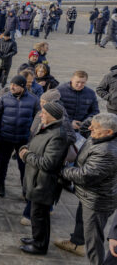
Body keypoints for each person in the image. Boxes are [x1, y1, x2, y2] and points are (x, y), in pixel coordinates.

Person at [59, 113, 117, 264]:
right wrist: (91, 121)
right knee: (83, 224)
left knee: (93, 241)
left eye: (95, 127)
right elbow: (87, 128)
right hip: (88, 194)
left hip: (97, 201)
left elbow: (86, 175)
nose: (91, 128)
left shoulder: (108, 151)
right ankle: (76, 242)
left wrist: (62, 170)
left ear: (109, 132)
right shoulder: (100, 135)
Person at [18, 102, 68, 255]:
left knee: (39, 215)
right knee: (37, 214)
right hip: (36, 180)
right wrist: (26, 148)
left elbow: (48, 163)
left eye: (44, 113)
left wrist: (27, 155)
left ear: (53, 116)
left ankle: (40, 246)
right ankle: (36, 238)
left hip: (44, 183)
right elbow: (36, 145)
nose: (40, 115)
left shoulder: (58, 135)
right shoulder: (47, 128)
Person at [0, 75, 40, 197]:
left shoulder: (34, 100)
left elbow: (37, 119)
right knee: (2, 163)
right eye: (11, 84)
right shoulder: (3, 98)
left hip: (23, 139)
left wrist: (32, 138)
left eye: (15, 85)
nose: (12, 87)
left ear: (23, 87)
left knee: (24, 166)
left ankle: (25, 189)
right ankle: (1, 183)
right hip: (5, 137)